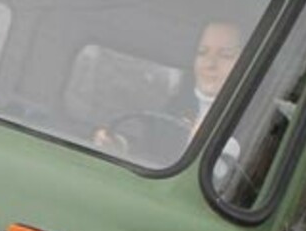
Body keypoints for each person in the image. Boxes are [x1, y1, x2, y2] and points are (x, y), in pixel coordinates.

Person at [93, 19, 245, 164]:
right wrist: (120, 148)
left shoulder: (253, 122)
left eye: (226, 55)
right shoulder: (176, 108)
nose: (210, 64)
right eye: (202, 52)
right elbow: (152, 154)